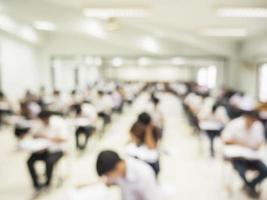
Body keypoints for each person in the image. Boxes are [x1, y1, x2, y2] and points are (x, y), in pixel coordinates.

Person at [222, 110, 267, 198]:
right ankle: (250, 187)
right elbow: (225, 139)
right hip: (238, 156)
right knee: (241, 172)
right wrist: (241, 143)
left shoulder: (258, 126)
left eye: (253, 121)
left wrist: (256, 146)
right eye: (250, 120)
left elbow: (260, 143)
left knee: (265, 171)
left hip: (252, 156)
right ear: (245, 117)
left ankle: (250, 185)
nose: (251, 123)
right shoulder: (235, 124)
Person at [96, 150, 163, 200]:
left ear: (117, 167)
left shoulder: (143, 174)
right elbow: (108, 181)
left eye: (109, 175)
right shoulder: (120, 170)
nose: (109, 178)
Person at [27, 111, 67, 191]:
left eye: (45, 120)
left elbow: (64, 139)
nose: (43, 122)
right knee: (29, 161)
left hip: (57, 150)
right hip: (42, 149)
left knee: (49, 162)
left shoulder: (58, 123)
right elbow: (33, 134)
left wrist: (47, 137)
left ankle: (47, 183)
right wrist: (38, 135)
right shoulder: (39, 123)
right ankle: (36, 184)